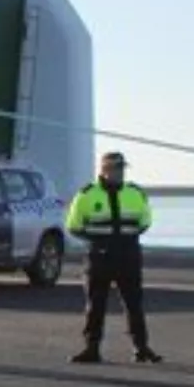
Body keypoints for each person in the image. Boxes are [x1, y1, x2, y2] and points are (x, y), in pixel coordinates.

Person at [66, 150, 163, 364]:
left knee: (134, 304)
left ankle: (141, 348)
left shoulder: (135, 193)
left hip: (128, 256)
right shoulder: (86, 195)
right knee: (95, 306)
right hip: (99, 258)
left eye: (122, 169)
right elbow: (73, 225)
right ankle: (91, 349)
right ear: (104, 170)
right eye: (116, 169)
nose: (120, 173)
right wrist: (98, 241)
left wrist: (125, 240)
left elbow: (145, 221)